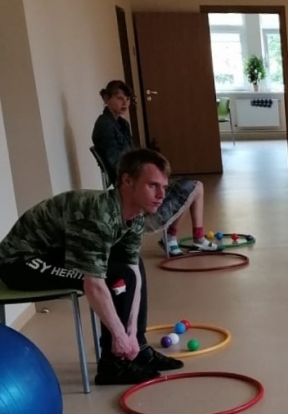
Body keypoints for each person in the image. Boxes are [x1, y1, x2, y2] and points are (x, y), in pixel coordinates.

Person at [0, 148, 184, 385]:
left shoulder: (135, 215)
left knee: (131, 267)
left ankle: (138, 348)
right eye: (153, 186)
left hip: (55, 254)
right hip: (19, 262)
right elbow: (94, 284)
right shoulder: (97, 216)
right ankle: (112, 365)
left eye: (164, 187)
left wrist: (132, 333)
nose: (161, 195)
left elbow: (133, 271)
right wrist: (120, 336)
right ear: (127, 181)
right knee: (112, 277)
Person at [91, 80, 218, 256]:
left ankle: (192, 238)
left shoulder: (122, 124)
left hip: (140, 179)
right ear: (106, 98)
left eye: (127, 99)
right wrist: (147, 175)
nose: (125, 103)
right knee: (193, 187)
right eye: (119, 98)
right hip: (132, 187)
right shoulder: (104, 126)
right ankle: (173, 238)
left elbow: (133, 156)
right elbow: (118, 166)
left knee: (196, 186)